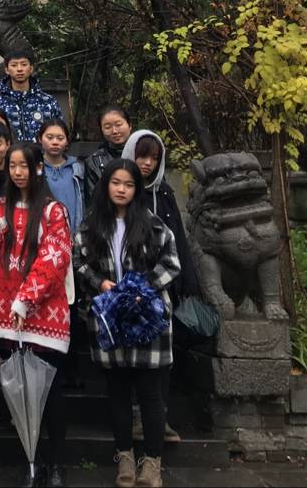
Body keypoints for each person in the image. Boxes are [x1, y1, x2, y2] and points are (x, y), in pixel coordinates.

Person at [74, 159, 181, 488]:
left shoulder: (153, 225)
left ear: (137, 189)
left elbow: (172, 264)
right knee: (117, 393)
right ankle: (124, 457)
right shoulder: (90, 226)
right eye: (116, 183)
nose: (121, 189)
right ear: (106, 185)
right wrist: (100, 283)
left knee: (151, 395)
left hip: (148, 318)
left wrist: (142, 287)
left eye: (129, 184)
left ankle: (153, 462)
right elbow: (78, 262)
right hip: (111, 318)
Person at [0, 142, 72, 488]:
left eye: (24, 166)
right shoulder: (0, 206)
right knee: (19, 393)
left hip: (45, 315)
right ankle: (31, 462)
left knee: (50, 394)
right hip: (6, 315)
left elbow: (54, 260)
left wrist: (25, 301)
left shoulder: (53, 211)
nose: (17, 172)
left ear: (38, 168)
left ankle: (56, 463)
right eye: (12, 166)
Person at [126, 128, 200, 447]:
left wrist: (185, 281)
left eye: (153, 158)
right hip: (127, 287)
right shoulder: (121, 190)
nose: (147, 163)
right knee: (131, 355)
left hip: (161, 286)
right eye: (142, 156)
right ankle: (135, 417)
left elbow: (178, 239)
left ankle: (158, 416)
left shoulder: (165, 193)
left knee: (161, 358)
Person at [0, 48, 65, 143]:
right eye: (14, 65)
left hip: (40, 152)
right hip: (10, 152)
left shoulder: (48, 101)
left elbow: (59, 131)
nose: (19, 69)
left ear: (31, 69)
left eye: (24, 64)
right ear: (6, 70)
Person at [81, 105, 133, 213]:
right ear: (101, 130)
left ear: (130, 125)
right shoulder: (94, 162)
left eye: (118, 125)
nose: (114, 131)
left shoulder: (142, 156)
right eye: (108, 127)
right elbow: (92, 203)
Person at [39, 118, 84, 232]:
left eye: (60, 138)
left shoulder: (77, 168)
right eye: (49, 137)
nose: (55, 142)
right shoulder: (35, 168)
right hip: (43, 232)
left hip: (73, 232)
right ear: (40, 139)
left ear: (67, 141)